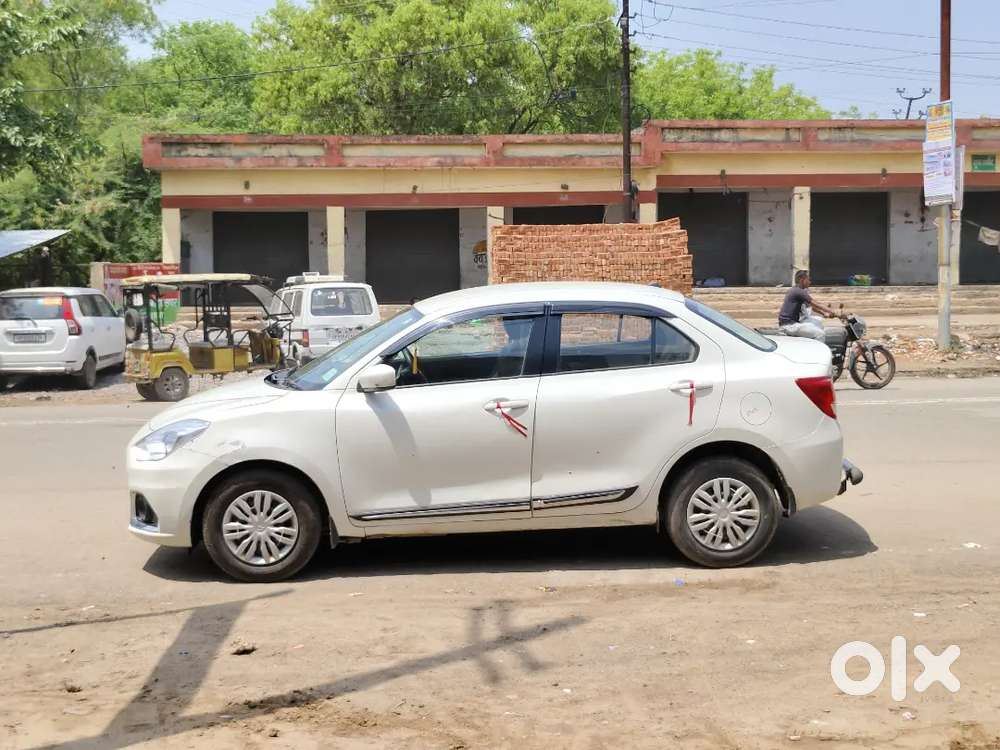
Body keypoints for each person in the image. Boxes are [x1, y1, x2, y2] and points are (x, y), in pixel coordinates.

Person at [778, 270, 837, 342]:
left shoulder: (796, 290)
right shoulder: (799, 291)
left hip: (790, 324)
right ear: (802, 280)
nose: (810, 282)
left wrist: (824, 313)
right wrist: (833, 312)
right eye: (808, 280)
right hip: (790, 326)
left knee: (818, 323)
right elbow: (816, 304)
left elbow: (812, 306)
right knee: (820, 334)